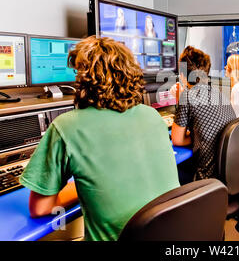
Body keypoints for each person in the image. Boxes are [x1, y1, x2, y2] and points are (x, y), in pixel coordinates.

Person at [20, 36, 180, 241]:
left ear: (84, 79)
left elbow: (40, 208)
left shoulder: (66, 126)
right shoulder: (151, 115)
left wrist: (87, 187)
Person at [170, 46, 236, 181]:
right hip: (229, 170)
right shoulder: (218, 93)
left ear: (182, 74)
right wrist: (197, 136)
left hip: (207, 175)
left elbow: (177, 140)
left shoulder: (187, 97)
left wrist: (180, 99)